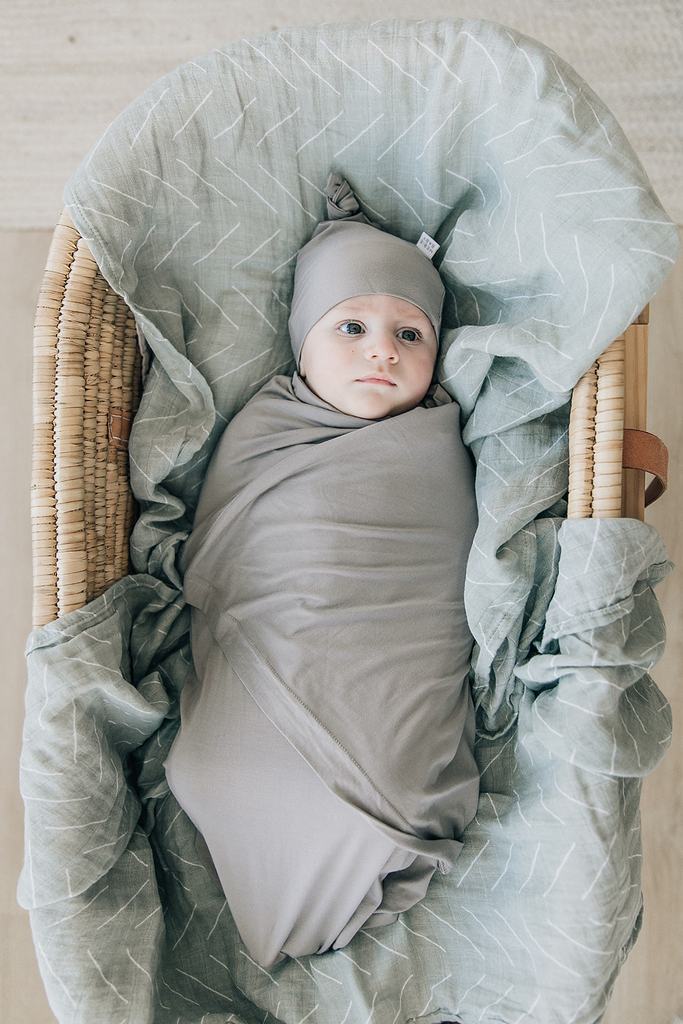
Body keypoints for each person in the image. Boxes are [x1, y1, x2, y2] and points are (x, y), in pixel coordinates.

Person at [163, 171, 480, 970]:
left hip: (386, 663)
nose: (382, 349)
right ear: (302, 343)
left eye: (410, 335)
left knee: (398, 769)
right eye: (351, 327)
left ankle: (359, 825)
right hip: (275, 650)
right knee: (215, 767)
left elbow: (441, 568)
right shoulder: (265, 429)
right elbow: (229, 546)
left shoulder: (439, 439)